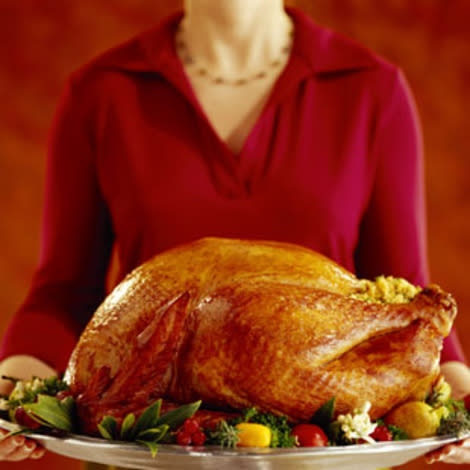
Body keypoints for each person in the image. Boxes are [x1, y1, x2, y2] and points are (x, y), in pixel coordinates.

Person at [1, 0, 469, 464]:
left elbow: (405, 294)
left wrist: (462, 405)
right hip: (151, 452)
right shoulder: (103, 89)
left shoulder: (369, 88)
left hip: (321, 458)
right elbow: (63, 293)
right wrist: (8, 394)